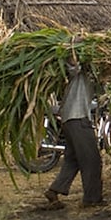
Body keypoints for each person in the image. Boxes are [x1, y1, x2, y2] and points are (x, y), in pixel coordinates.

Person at [43, 59, 104, 208]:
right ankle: (92, 199)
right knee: (92, 160)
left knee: (73, 160)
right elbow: (72, 65)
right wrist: (75, 48)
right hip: (77, 118)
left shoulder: (91, 75)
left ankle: (54, 190)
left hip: (68, 119)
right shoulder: (80, 70)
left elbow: (101, 91)